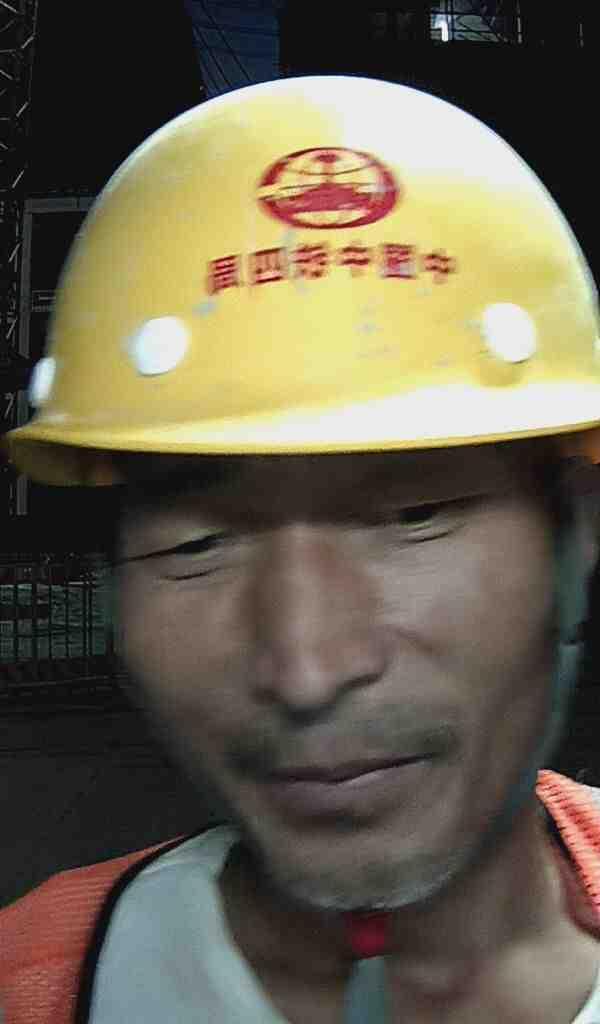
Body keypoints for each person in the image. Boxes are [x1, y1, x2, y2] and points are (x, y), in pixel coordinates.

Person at [2, 75, 600, 1024]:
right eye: (198, 543)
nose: (308, 670)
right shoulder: (34, 981)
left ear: (579, 527)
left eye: (415, 515)